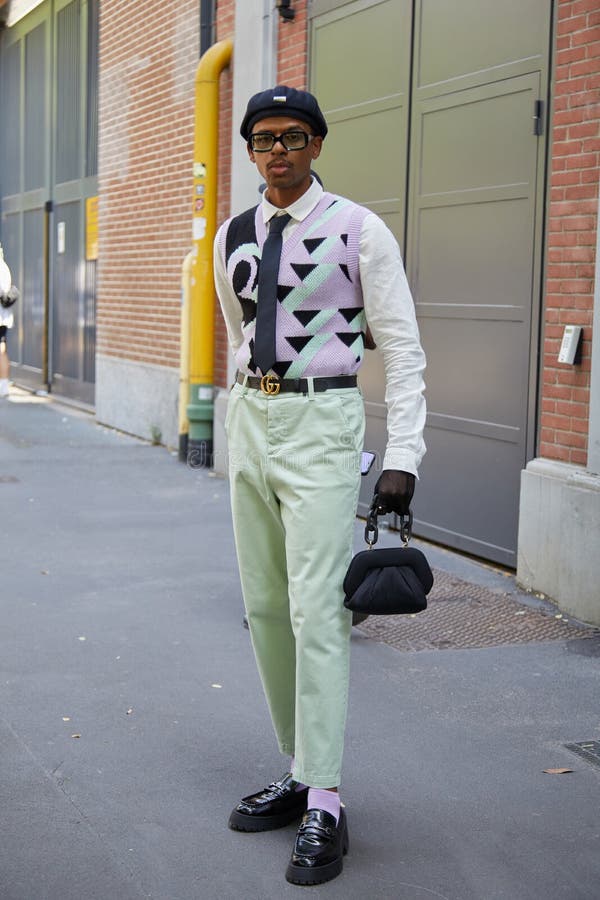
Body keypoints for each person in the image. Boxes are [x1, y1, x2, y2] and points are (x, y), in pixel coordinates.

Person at [213, 85, 426, 886]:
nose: (279, 150)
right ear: (250, 149)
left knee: (318, 609)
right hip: (251, 422)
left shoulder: (359, 230)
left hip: (322, 421)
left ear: (317, 144)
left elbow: (401, 347)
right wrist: (242, 411)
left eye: (294, 136)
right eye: (264, 138)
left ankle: (326, 801)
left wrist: (403, 452)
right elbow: (238, 333)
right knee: (266, 605)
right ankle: (300, 769)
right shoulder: (233, 234)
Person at [0, 245, 19, 399]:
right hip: (4, 317)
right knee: (2, 349)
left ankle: (4, 385)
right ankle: (4, 385)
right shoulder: (4, 267)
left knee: (1, 350)